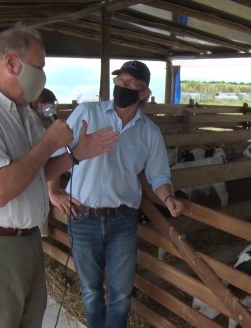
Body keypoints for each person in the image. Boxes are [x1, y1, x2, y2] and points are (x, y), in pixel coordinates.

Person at [0, 22, 119, 328]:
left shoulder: (20, 111)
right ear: (11, 63)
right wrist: (49, 142)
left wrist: (76, 155)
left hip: (24, 241)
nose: (43, 76)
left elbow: (34, 171)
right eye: (40, 67)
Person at [48, 60, 185, 327]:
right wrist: (54, 191)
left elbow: (158, 175)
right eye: (120, 81)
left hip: (122, 220)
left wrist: (168, 198)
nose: (123, 86)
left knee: (121, 293)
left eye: (131, 84)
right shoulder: (87, 113)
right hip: (83, 216)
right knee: (90, 291)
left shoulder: (149, 132)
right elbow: (56, 152)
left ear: (144, 92)